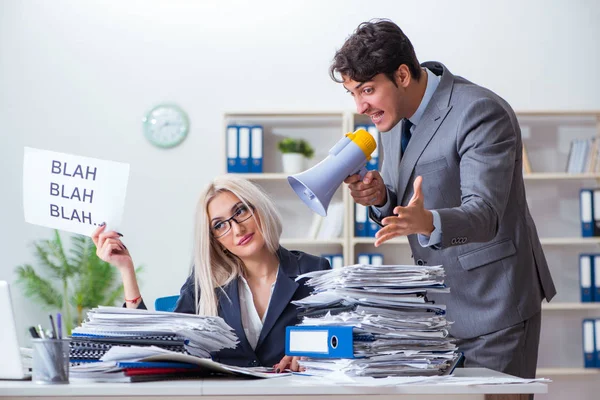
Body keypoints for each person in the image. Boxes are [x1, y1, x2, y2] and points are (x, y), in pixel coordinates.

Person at [333, 19, 556, 379]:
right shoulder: (391, 118)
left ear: (402, 75)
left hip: (494, 308)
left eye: (367, 90)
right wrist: (379, 197)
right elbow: (400, 199)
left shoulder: (480, 111)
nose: (361, 105)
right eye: (353, 94)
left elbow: (485, 214)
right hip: (435, 316)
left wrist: (429, 221)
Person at [91, 175, 330, 371]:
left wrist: (311, 351)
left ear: (260, 210)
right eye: (220, 225)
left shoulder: (314, 271)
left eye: (241, 211)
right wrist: (126, 269)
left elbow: (345, 339)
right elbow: (157, 350)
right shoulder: (206, 282)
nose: (237, 229)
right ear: (215, 240)